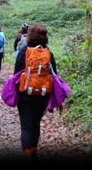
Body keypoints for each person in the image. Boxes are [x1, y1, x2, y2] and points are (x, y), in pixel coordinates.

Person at [14, 24, 58, 158]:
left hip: (25, 95)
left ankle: (27, 152)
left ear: (30, 36)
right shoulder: (48, 53)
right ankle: (33, 150)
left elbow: (16, 74)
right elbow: (54, 74)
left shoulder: (24, 51)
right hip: (43, 95)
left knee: (26, 126)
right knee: (36, 123)